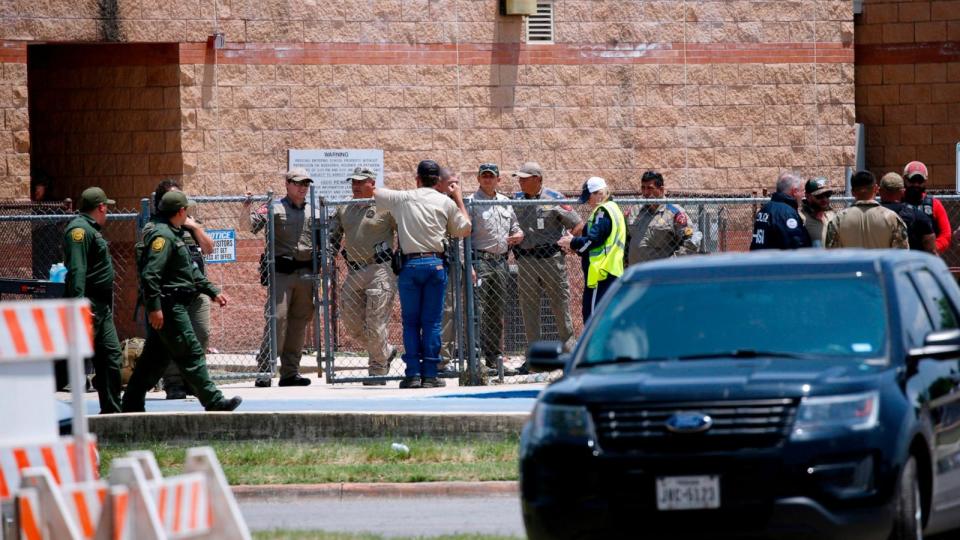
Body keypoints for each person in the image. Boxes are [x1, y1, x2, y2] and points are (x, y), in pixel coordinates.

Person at [121, 191, 241, 412]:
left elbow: (189, 272)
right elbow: (150, 275)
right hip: (169, 306)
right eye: (186, 209)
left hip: (174, 303)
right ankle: (214, 401)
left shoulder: (173, 233)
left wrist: (212, 291)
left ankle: (130, 402)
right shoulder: (163, 237)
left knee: (153, 360)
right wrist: (155, 308)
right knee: (191, 351)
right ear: (180, 212)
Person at [372, 160, 471, 389]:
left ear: (417, 178)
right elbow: (465, 228)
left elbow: (372, 190)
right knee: (432, 323)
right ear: (437, 181)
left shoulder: (403, 197)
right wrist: (458, 198)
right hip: (435, 264)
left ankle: (413, 374)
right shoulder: (444, 202)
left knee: (410, 323)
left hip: (410, 266)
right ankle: (430, 374)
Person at [242, 168, 317, 388]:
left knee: (299, 323)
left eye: (306, 184)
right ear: (287, 184)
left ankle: (290, 373)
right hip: (281, 274)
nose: (303, 188)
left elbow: (325, 240)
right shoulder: (274, 207)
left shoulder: (315, 211)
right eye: (298, 183)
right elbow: (249, 226)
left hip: (305, 274)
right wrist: (246, 207)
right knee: (277, 319)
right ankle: (265, 370)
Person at [141, 180, 215, 400]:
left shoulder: (191, 224)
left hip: (196, 290)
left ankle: (193, 380)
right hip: (172, 293)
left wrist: (193, 227)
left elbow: (209, 248)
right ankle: (174, 382)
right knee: (173, 339)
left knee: (200, 334)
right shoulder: (156, 229)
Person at [329, 167, 398, 385]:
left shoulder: (385, 206)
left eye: (360, 182)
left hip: (380, 269)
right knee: (352, 324)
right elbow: (332, 237)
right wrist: (325, 259)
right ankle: (385, 351)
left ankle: (377, 370)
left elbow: (404, 232)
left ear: (372, 183)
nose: (355, 186)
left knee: (376, 322)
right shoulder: (344, 208)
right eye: (353, 182)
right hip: (355, 270)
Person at [512, 162, 582, 358]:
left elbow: (577, 223)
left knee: (560, 306)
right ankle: (535, 357)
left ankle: (569, 354)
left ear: (538, 179)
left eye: (525, 178)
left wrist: (568, 244)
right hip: (526, 261)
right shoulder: (516, 199)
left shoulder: (555, 198)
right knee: (528, 308)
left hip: (551, 259)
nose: (520, 182)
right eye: (519, 178)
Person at [63, 187, 122, 414]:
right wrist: (79, 306)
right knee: (67, 362)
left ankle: (112, 411)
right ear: (100, 207)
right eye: (107, 206)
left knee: (111, 356)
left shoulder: (90, 229)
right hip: (88, 304)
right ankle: (33, 401)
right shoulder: (79, 231)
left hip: (101, 308)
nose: (107, 211)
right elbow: (77, 270)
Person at [468, 163, 524, 376]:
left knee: (496, 311)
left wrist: (518, 235)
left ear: (498, 180)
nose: (488, 180)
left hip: (501, 262)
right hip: (479, 262)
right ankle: (475, 360)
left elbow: (515, 227)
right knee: (478, 311)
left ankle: (494, 359)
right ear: (478, 178)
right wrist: (469, 266)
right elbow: (464, 235)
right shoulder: (472, 203)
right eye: (484, 176)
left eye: (492, 176)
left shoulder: (505, 202)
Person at [558, 177, 625, 323]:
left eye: (589, 197)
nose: (588, 201)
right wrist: (576, 247)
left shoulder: (603, 211)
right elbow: (598, 243)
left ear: (599, 193)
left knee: (593, 321)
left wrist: (573, 242)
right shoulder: (613, 209)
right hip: (609, 272)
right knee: (604, 320)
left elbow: (594, 240)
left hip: (601, 274)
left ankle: (594, 347)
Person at [627, 170, 700, 264]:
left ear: (661, 190)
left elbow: (692, 242)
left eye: (650, 188)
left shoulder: (673, 213)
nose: (645, 193)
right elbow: (628, 238)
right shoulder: (636, 210)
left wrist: (671, 264)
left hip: (658, 275)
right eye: (643, 188)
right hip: (635, 273)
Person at [825, 170, 909, 250]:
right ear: (876, 189)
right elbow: (902, 255)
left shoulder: (838, 220)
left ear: (852, 192)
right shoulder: (892, 218)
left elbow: (831, 255)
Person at [749, 171, 812, 250]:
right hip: (777, 261)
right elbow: (796, 245)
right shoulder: (787, 214)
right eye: (803, 191)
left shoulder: (764, 209)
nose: (803, 195)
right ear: (795, 191)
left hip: (760, 259)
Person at [878, 172, 936, 253]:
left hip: (877, 264)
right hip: (910, 263)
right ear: (902, 192)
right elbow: (931, 249)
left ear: (880, 191)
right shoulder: (919, 216)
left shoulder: (869, 215)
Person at [903, 161, 952, 254]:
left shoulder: (934, 204)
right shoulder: (898, 201)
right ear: (905, 179)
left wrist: (933, 247)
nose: (916, 184)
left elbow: (946, 234)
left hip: (927, 256)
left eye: (920, 181)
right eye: (912, 180)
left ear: (925, 181)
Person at [798, 177, 837, 248]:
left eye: (827, 195)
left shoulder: (832, 216)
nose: (825, 199)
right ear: (808, 196)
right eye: (819, 196)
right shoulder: (801, 219)